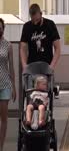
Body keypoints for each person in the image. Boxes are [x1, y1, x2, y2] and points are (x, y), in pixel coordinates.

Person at [20, 4, 61, 71]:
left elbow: (58, 48)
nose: (35, 23)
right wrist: (24, 65)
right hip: (32, 66)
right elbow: (22, 48)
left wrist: (52, 66)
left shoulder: (50, 24)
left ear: (41, 14)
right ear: (30, 16)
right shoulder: (27, 26)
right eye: (33, 21)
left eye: (37, 20)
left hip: (47, 65)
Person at [0, 18, 15, 150]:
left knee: (4, 119)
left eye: (0, 27)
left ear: (3, 29)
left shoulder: (8, 45)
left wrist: (14, 87)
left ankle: (1, 146)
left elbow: (11, 68)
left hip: (5, 85)